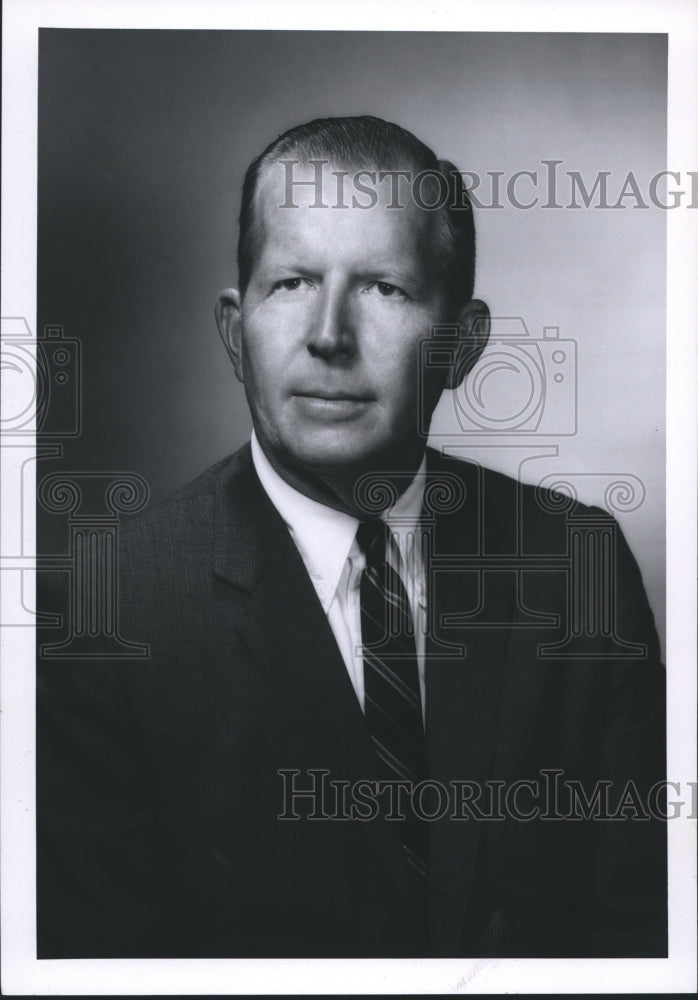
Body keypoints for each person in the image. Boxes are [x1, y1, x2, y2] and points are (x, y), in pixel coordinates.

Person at [37, 115, 666, 959]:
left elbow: (643, 928)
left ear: (462, 345)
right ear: (235, 331)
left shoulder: (577, 568)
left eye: (385, 289)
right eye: (291, 282)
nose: (328, 334)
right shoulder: (107, 605)